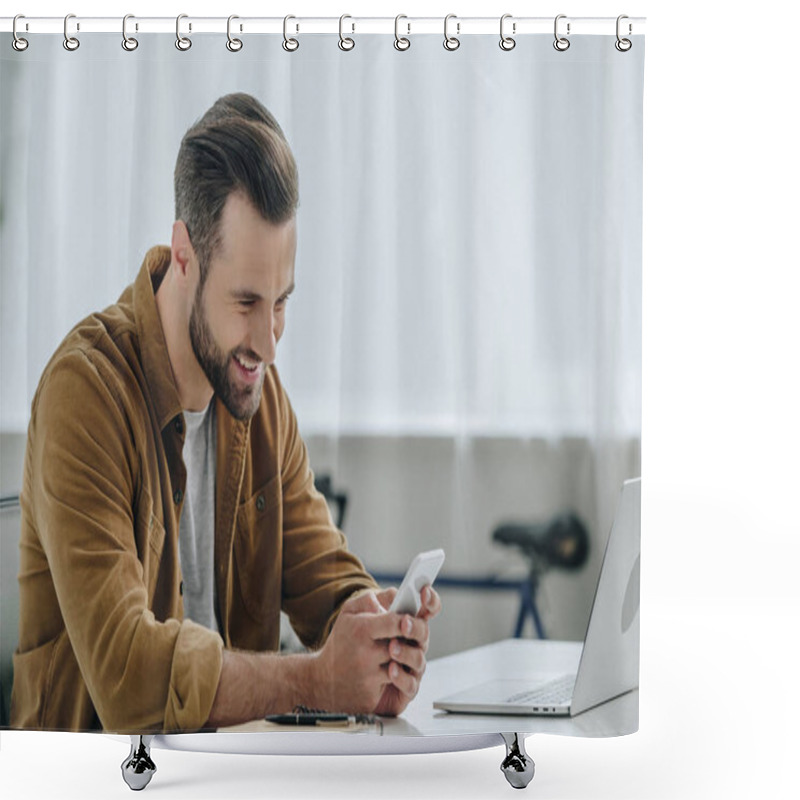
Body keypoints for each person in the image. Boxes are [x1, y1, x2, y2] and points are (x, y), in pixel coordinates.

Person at [10, 93, 441, 734]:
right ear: (184, 255)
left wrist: (376, 629)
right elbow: (127, 677)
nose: (268, 342)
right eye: (246, 302)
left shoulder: (259, 396)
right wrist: (316, 679)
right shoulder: (85, 394)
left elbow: (324, 572)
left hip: (228, 774)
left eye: (282, 302)